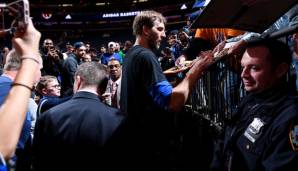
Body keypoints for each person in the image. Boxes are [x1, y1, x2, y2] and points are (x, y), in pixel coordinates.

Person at [109, 10, 213, 170]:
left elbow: (147, 92)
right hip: (152, 144)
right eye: (159, 29)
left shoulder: (131, 54)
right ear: (145, 29)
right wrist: (195, 71)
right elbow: (172, 102)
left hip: (137, 140)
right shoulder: (146, 56)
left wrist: (176, 80)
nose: (164, 35)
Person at [211, 39, 298, 171]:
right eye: (242, 67)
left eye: (254, 68)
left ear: (280, 70)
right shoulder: (250, 100)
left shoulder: (290, 117)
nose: (243, 75)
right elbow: (224, 141)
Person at [32, 62, 123, 171]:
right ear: (103, 88)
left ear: (78, 81)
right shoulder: (120, 119)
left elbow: (39, 162)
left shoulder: (48, 117)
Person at [0, 18, 41, 162]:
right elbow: (4, 146)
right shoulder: (6, 91)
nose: (40, 75)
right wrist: (30, 57)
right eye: (40, 69)